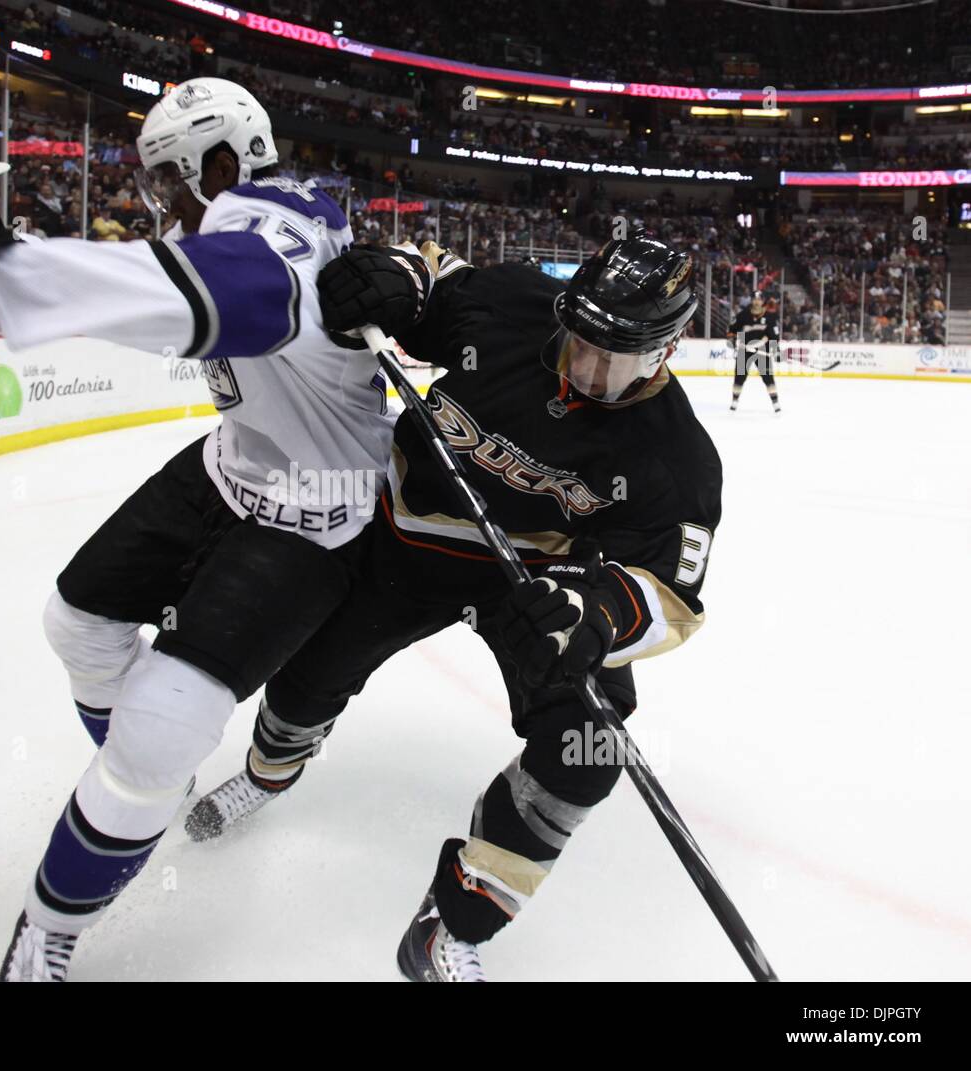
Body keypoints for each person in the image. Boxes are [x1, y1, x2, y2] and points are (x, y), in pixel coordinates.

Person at [0, 78, 400, 981]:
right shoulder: (262, 211)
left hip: (310, 520)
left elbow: (245, 295)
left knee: (155, 733)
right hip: (231, 467)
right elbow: (170, 296)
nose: (160, 202)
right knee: (76, 622)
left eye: (167, 181)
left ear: (219, 164)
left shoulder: (275, 234)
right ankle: (144, 786)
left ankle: (48, 930)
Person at [186, 235, 723, 981]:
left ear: (666, 349)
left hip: (533, 588)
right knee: (310, 677)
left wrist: (591, 616)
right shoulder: (514, 305)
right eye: (579, 342)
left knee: (586, 747)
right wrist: (393, 280)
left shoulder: (676, 457)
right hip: (406, 540)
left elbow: (670, 592)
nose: (586, 369)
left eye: (615, 358)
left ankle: (455, 919)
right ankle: (271, 769)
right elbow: (427, 277)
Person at [727, 292, 781, 413]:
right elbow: (732, 330)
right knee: (739, 377)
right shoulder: (742, 315)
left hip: (762, 350)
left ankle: (775, 402)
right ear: (751, 301)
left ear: (763, 301)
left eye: (759, 299)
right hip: (744, 350)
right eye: (755, 299)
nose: (757, 302)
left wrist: (776, 350)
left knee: (768, 377)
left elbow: (774, 336)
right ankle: (734, 401)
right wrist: (732, 340)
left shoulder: (770, 317)